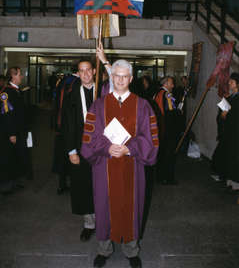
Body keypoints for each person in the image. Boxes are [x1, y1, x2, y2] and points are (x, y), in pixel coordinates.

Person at [81, 60, 159, 268]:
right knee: (103, 205)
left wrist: (130, 148)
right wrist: (106, 147)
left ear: (131, 79)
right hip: (104, 165)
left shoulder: (143, 106)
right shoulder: (98, 105)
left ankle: (131, 250)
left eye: (125, 76)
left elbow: (150, 138)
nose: (121, 79)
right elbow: (89, 137)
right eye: (117, 75)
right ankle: (103, 250)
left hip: (133, 166)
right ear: (111, 77)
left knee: (132, 206)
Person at [65, 55, 110, 242]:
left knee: (103, 185)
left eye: (88, 70)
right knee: (83, 186)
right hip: (82, 147)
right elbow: (67, 125)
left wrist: (104, 60)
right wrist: (71, 151)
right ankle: (89, 224)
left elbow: (118, 80)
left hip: (102, 148)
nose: (85, 74)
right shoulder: (71, 95)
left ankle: (105, 221)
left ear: (93, 71)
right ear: (78, 73)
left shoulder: (104, 90)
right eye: (81, 70)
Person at [0, 67, 30, 194]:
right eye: (19, 75)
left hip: (17, 131)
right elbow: (6, 113)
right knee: (7, 157)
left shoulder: (15, 90)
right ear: (13, 76)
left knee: (15, 157)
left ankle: (13, 181)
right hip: (8, 133)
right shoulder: (7, 93)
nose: (21, 77)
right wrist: (11, 133)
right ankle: (5, 185)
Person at [213, 73, 239, 197]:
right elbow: (222, 114)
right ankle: (229, 182)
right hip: (228, 133)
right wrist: (222, 115)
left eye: (232, 82)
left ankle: (235, 185)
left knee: (235, 158)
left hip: (236, 134)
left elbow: (235, 116)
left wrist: (227, 115)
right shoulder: (231, 97)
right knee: (229, 157)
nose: (229, 83)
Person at [154, 76, 181, 185]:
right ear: (165, 84)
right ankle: (167, 178)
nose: (173, 86)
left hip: (160, 128)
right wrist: (178, 113)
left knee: (161, 154)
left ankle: (160, 177)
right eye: (171, 83)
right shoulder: (166, 95)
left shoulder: (157, 93)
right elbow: (170, 114)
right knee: (168, 155)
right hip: (168, 130)